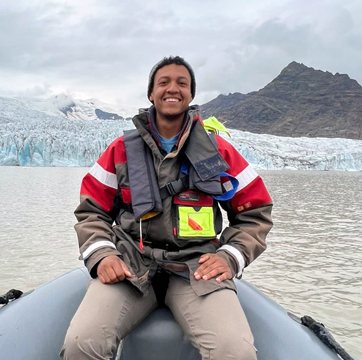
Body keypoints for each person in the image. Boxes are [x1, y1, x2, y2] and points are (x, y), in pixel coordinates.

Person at [60, 56, 273, 360]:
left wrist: (230, 256)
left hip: (195, 268)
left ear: (190, 95)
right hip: (131, 265)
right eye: (164, 82)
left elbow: (255, 212)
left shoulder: (217, 151)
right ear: (151, 94)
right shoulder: (120, 150)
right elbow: (91, 211)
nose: (172, 88)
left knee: (234, 351)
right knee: (82, 342)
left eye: (181, 83)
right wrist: (102, 254)